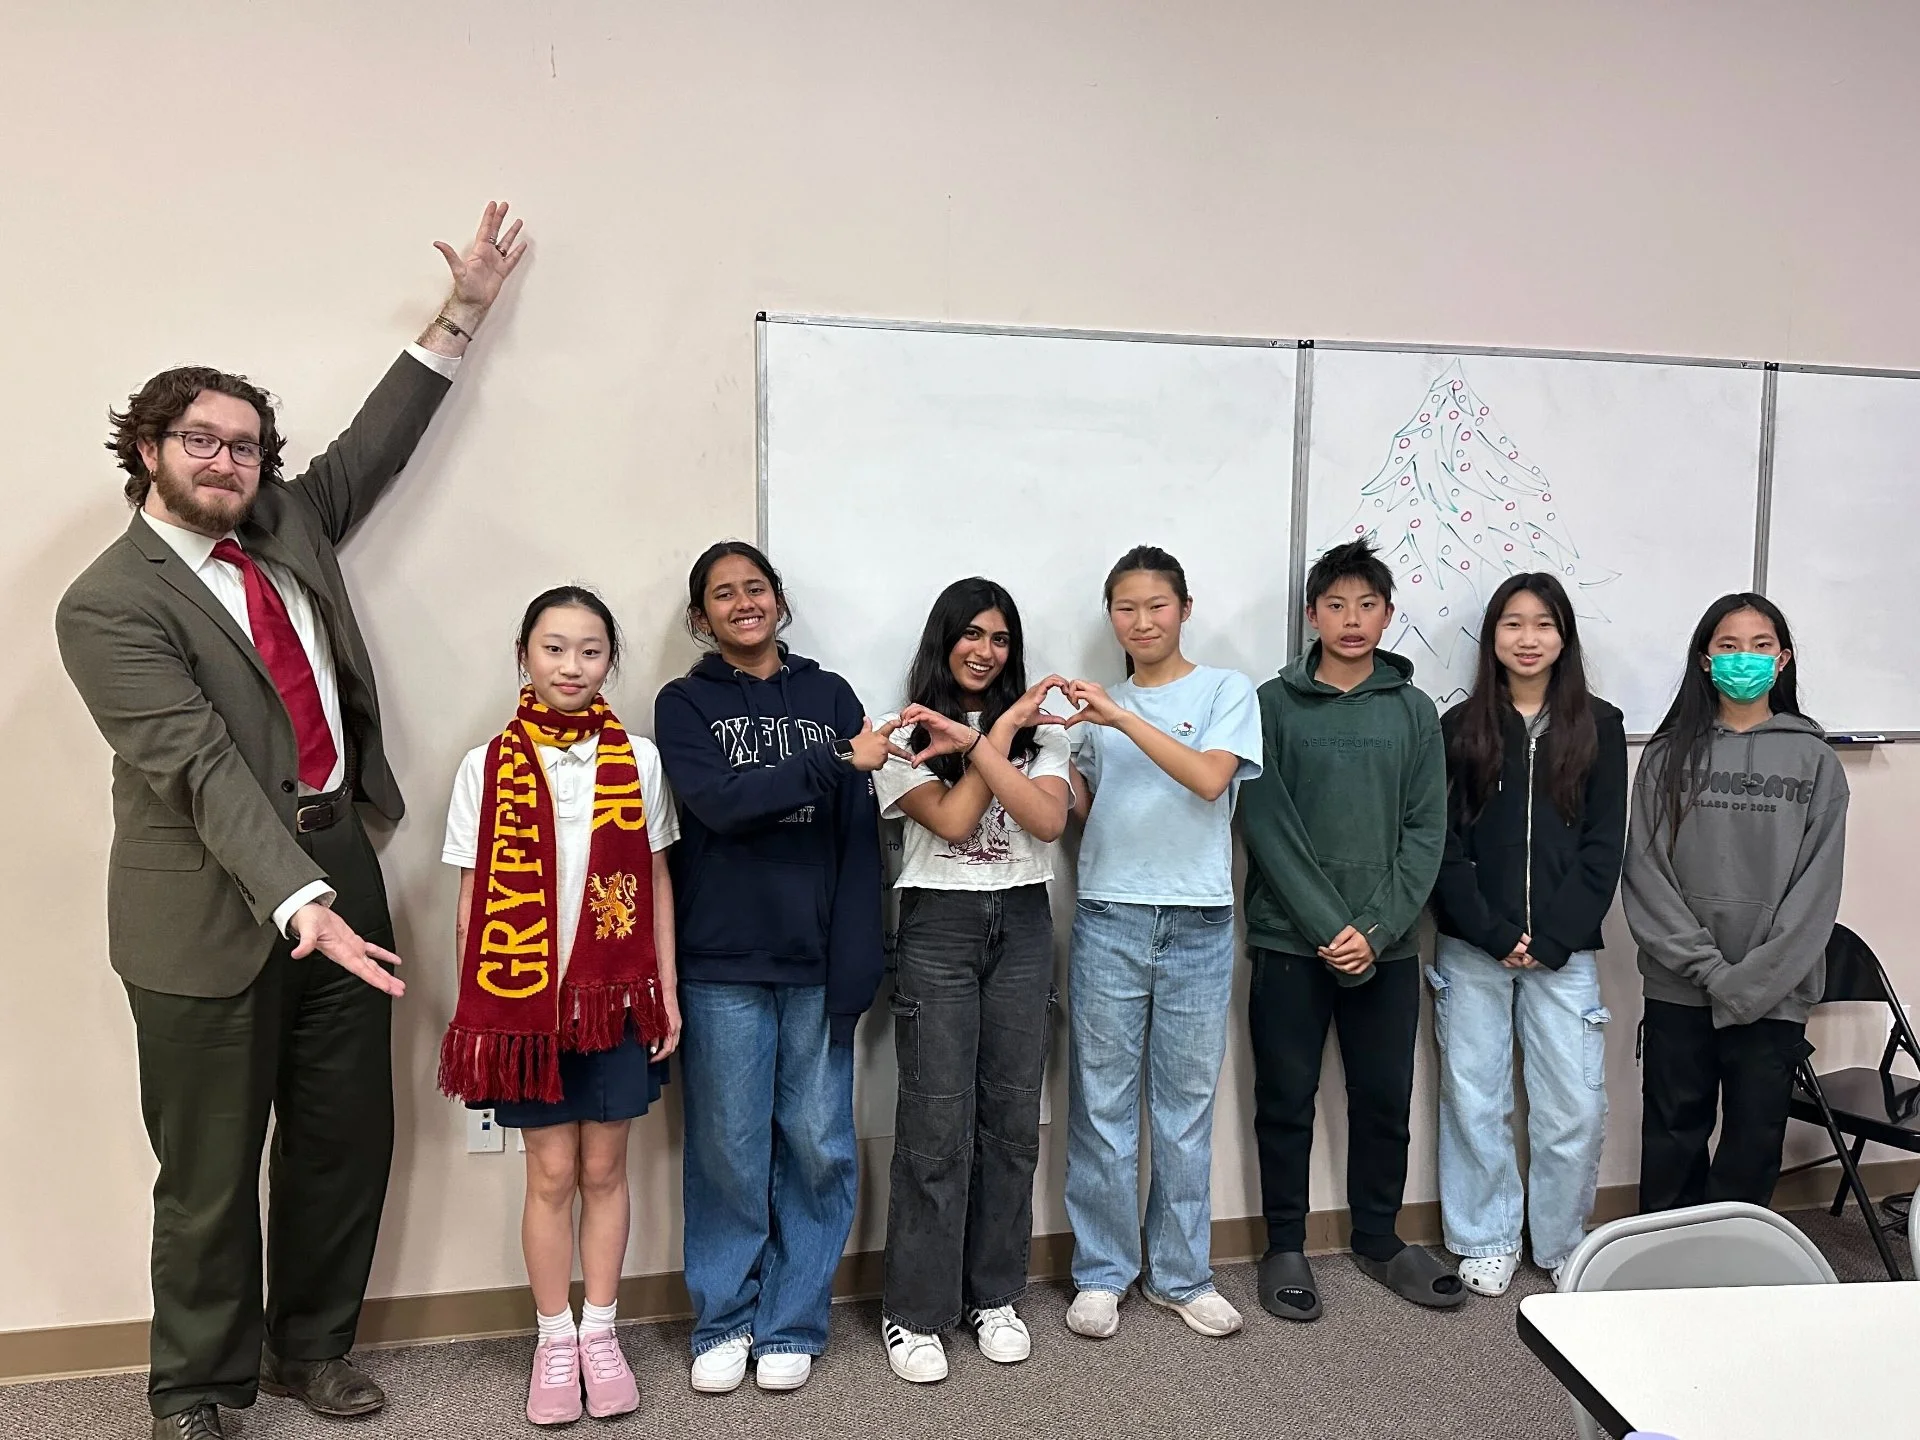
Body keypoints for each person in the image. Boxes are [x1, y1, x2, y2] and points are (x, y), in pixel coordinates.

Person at [54, 203, 527, 1440]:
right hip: (204, 902)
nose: (227, 461)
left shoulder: (289, 525)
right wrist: (297, 903)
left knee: (342, 1136)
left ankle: (309, 1349)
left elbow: (384, 437)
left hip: (337, 855)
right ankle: (195, 1391)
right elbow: (198, 766)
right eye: (200, 440)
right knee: (208, 1172)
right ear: (146, 450)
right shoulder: (107, 604)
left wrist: (463, 310)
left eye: (247, 445)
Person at [652, 541, 894, 1395]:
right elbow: (719, 805)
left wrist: (862, 954)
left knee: (820, 1146)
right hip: (720, 961)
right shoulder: (683, 704)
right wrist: (828, 763)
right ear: (700, 617)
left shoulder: (831, 697)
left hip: (818, 961)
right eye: (723, 594)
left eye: (755, 588)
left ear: (779, 601)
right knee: (728, 1148)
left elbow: (858, 838)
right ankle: (723, 1318)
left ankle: (792, 1320)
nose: (742, 602)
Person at [438, 587, 680, 1425]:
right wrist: (482, 1016)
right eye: (553, 648)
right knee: (549, 1174)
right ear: (524, 655)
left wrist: (666, 990)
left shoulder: (639, 761)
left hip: (613, 1001)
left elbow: (653, 883)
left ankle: (601, 1334)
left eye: (589, 650)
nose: (570, 666)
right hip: (526, 1007)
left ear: (610, 659)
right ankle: (552, 1339)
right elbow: (471, 903)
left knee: (606, 1169)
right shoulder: (485, 765)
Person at [1238, 538, 1453, 1321]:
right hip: (1291, 943)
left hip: (1388, 947)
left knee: (1384, 1099)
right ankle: (1285, 1244)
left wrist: (1376, 926)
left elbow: (1425, 831)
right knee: (1286, 1099)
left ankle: (1378, 1239)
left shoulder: (1413, 710)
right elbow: (1265, 822)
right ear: (1311, 615)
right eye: (1336, 605)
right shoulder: (1271, 703)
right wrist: (1334, 926)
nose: (1352, 620)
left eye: (1368, 605)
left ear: (1388, 615)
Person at [872, 578, 1073, 1384]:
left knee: (1012, 1123)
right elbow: (954, 822)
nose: (985, 650)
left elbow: (1050, 821)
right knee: (935, 1125)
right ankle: (914, 1312)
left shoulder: (1041, 735)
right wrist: (995, 736)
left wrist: (998, 734)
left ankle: (994, 1295)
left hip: (1023, 922)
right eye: (971, 634)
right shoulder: (900, 737)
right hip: (939, 928)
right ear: (943, 639)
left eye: (998, 638)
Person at [1061, 546, 1263, 1342]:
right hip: (1110, 915)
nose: (1141, 622)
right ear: (1110, 616)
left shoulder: (1224, 691)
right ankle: (1103, 1273)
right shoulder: (1095, 709)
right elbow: (1078, 808)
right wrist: (1045, 749)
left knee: (1183, 1109)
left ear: (1183, 607)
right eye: (1125, 608)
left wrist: (1121, 721)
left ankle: (1181, 1275)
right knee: (1102, 1106)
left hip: (1200, 924)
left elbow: (1210, 780)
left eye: (1156, 605)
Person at [1429, 573, 1628, 1295]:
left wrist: (1553, 939)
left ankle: (1561, 1242)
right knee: (1475, 1100)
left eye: (1543, 624)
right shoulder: (1457, 729)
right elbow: (1442, 844)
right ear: (1493, 638)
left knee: (1573, 1105)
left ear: (1564, 636)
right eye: (1513, 624)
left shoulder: (1600, 726)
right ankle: (1484, 1237)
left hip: (1562, 954)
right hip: (1472, 948)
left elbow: (1606, 847)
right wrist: (1491, 931)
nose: (1528, 638)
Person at [1624, 593, 1847, 1212]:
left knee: (1752, 1145)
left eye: (1760, 645)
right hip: (1679, 985)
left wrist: (1750, 982)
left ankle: (1735, 1283)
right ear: (1703, 660)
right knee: (1672, 1136)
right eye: (1727, 645)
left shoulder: (1815, 761)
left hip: (1773, 994)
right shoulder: (1666, 756)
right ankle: (1661, 1264)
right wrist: (1709, 970)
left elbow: (1816, 892)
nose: (1743, 657)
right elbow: (1644, 874)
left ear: (1783, 660)